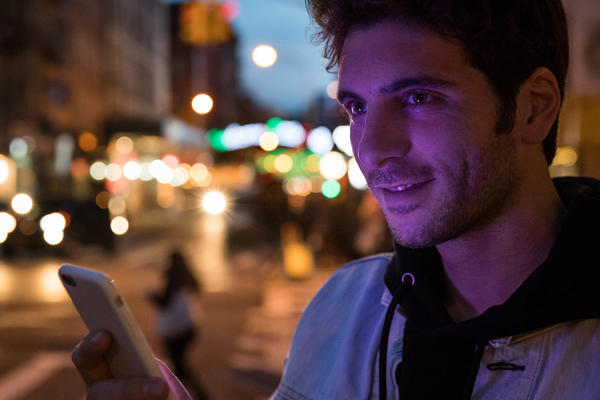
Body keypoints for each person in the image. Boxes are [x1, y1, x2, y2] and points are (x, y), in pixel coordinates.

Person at [71, 0, 600, 399]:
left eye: (419, 98)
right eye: (358, 108)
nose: (373, 149)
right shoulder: (343, 307)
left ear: (535, 108)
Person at [148, 250, 208, 400]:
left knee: (179, 366)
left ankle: (194, 395)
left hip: (175, 330)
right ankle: (188, 395)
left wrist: (151, 296)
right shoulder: (189, 277)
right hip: (190, 326)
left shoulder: (172, 277)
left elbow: (164, 302)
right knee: (179, 365)